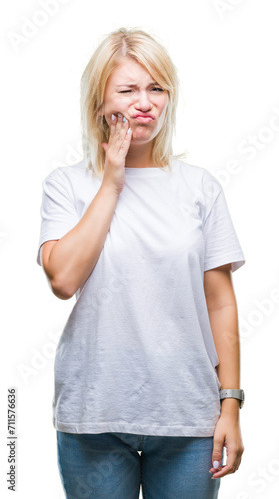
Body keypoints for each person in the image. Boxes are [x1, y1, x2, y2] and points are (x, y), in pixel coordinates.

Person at [37, 27, 246, 499]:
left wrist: (230, 405)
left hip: (188, 417)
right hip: (94, 415)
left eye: (157, 88)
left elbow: (220, 304)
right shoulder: (67, 185)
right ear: (99, 100)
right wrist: (112, 180)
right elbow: (63, 279)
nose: (144, 102)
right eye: (128, 89)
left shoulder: (199, 187)